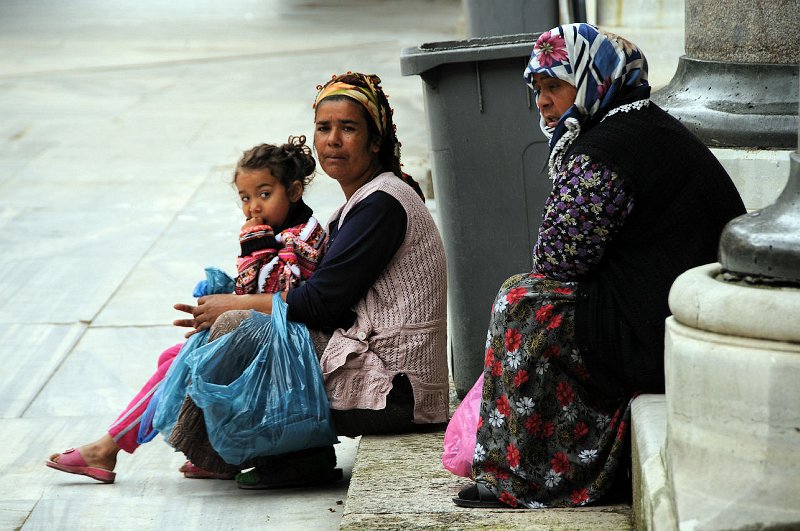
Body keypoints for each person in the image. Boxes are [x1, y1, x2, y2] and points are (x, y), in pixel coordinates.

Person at [452, 23, 746, 508]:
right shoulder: (639, 125)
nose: (543, 102)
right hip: (675, 307)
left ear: (593, 81)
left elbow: (556, 259)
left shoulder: (605, 150)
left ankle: (525, 475)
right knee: (533, 296)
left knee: (524, 304)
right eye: (538, 89)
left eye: (554, 86)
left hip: (658, 324)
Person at [162, 71, 449, 489]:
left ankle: (281, 454)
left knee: (235, 327)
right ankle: (263, 453)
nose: (333, 139)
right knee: (225, 320)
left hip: (398, 388)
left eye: (348, 128)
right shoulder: (361, 204)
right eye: (324, 127)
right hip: (378, 364)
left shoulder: (383, 204)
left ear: (375, 141)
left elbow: (321, 303)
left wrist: (238, 306)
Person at [46, 137, 327, 483]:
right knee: (172, 359)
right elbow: (252, 292)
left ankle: (107, 450)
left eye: (265, 194)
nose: (253, 207)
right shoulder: (280, 230)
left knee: (182, 364)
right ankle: (196, 450)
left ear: (295, 191)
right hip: (270, 336)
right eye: (245, 197)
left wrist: (254, 246)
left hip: (292, 345)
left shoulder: (304, 236)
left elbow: (278, 292)